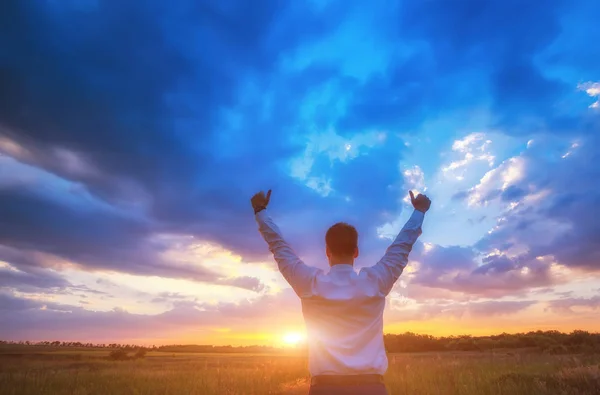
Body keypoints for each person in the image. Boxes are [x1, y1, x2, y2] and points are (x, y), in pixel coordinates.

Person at [251, 189, 431, 395]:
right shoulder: (376, 281)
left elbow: (279, 246)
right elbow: (402, 246)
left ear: (327, 251)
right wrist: (419, 211)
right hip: (372, 389)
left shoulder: (310, 284)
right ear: (356, 251)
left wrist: (260, 210)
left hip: (324, 389)